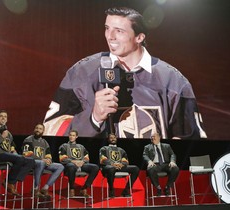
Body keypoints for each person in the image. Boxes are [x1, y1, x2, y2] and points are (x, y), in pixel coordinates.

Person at [43, 6, 207, 140]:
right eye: (107, 28)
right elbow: (50, 134)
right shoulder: (81, 73)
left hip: (151, 177)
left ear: (139, 37)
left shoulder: (173, 81)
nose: (110, 36)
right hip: (98, 177)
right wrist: (93, 118)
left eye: (119, 31)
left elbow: (191, 143)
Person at [0, 110, 35, 196]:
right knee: (20, 159)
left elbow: (12, 147)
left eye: (5, 116)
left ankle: (9, 182)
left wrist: (15, 153)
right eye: (1, 116)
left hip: (7, 156)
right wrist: (1, 137)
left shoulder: (8, 134)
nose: (3, 118)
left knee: (31, 161)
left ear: (7, 119)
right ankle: (10, 183)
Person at [22, 123, 64, 198]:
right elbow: (27, 154)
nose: (38, 130)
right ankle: (35, 188)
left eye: (40, 129)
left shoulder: (45, 142)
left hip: (42, 163)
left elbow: (48, 155)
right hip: (31, 163)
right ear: (34, 130)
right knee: (41, 162)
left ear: (43, 131)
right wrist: (42, 159)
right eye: (36, 128)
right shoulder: (28, 139)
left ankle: (45, 188)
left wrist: (48, 160)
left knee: (60, 166)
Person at [58, 129, 99, 197]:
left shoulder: (81, 147)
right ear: (68, 136)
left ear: (76, 137)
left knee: (95, 167)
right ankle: (71, 188)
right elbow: (62, 159)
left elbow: (87, 158)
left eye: (73, 135)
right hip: (70, 166)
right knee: (71, 166)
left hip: (81, 165)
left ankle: (84, 188)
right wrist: (74, 161)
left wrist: (82, 161)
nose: (71, 137)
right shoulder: (64, 146)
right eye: (70, 135)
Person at [99, 133, 139, 197]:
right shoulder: (104, 149)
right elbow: (103, 160)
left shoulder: (121, 150)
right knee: (111, 168)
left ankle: (126, 190)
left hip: (120, 167)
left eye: (114, 138)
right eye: (111, 138)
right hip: (108, 168)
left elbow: (125, 161)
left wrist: (121, 164)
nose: (113, 139)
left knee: (135, 168)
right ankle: (111, 189)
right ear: (108, 139)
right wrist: (113, 164)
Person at [142, 132, 179, 196]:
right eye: (151, 137)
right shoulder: (147, 147)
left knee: (175, 169)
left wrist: (172, 161)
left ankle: (167, 187)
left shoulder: (166, 146)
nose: (152, 138)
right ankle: (158, 188)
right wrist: (149, 161)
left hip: (166, 164)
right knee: (150, 169)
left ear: (159, 137)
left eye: (154, 136)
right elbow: (145, 155)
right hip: (155, 165)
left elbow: (172, 154)